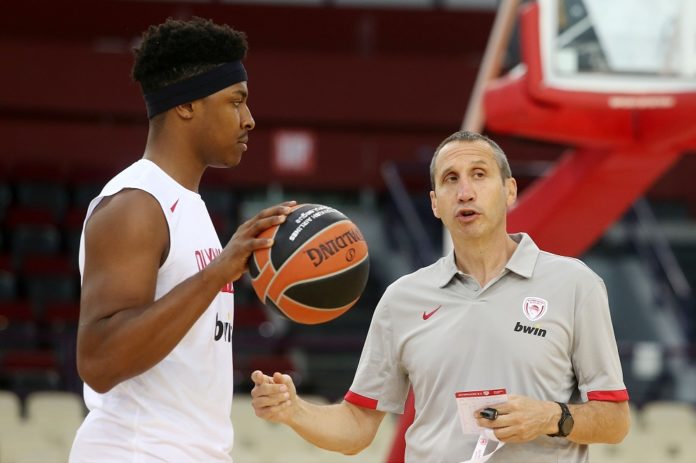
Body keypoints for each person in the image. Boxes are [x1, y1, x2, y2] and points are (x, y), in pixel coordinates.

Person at [250, 131, 630, 462]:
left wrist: (551, 417)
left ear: (510, 190)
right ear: (435, 203)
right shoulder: (403, 299)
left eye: (479, 175)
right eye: (451, 179)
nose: (465, 192)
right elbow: (358, 425)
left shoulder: (575, 284)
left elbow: (615, 421)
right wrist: (294, 410)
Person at [69, 17, 295, 462]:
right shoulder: (136, 204)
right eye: (236, 101)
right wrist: (217, 273)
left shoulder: (188, 204)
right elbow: (98, 362)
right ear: (187, 106)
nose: (249, 119)